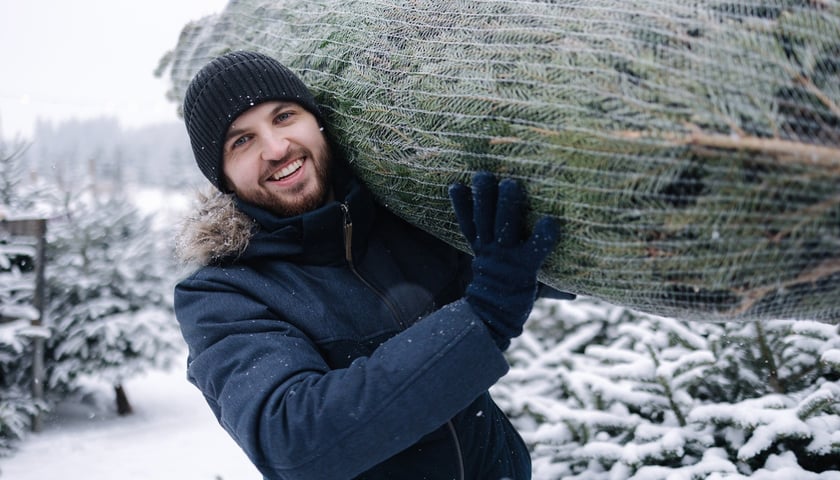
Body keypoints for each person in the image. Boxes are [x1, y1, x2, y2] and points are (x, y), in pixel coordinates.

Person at [174, 50, 574, 480]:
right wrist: (484, 318)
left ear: (317, 121)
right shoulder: (223, 294)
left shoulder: (405, 219)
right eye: (242, 141)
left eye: (284, 116)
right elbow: (294, 440)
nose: (275, 148)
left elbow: (527, 269)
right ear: (224, 178)